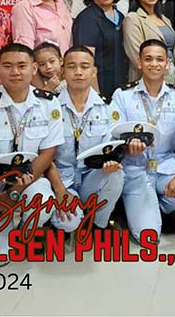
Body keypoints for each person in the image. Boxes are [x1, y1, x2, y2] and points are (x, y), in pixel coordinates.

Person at [0, 43, 64, 267]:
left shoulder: (49, 103)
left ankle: (26, 233)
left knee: (43, 201)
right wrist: (6, 192)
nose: (15, 72)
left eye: (22, 66)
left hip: (32, 178)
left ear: (34, 68)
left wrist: (16, 191)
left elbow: (48, 152)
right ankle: (3, 227)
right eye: (7, 66)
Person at [110, 40, 175, 244]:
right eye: (148, 59)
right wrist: (127, 145)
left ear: (167, 64)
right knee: (149, 238)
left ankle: (159, 207)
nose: (154, 64)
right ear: (139, 62)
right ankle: (138, 208)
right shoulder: (122, 96)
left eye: (160, 59)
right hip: (135, 169)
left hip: (165, 166)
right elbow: (114, 138)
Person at [51, 46, 125, 235]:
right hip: (62, 179)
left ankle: (99, 224)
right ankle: (65, 220)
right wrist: (59, 190)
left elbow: (111, 146)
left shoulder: (107, 107)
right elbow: (44, 154)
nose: (78, 72)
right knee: (67, 223)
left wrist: (110, 163)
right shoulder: (49, 106)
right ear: (62, 71)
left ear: (94, 72)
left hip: (91, 175)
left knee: (116, 175)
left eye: (84, 67)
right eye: (72, 67)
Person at [72, 0, 127, 98]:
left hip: (122, 88)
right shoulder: (86, 19)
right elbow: (85, 62)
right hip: (100, 90)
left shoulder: (120, 16)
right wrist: (96, 96)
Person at [123, 0, 175, 85]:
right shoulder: (132, 19)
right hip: (148, 84)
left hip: (173, 82)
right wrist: (162, 81)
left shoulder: (165, 19)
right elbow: (137, 57)